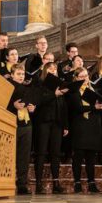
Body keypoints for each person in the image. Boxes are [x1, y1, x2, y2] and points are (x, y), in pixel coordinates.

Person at [66, 67, 102, 193]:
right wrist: (94, 107)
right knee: (78, 156)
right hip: (80, 126)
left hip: (92, 125)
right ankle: (77, 182)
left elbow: (99, 107)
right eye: (81, 77)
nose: (84, 79)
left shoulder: (94, 90)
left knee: (91, 157)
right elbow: (77, 108)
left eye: (86, 76)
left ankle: (91, 182)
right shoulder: (73, 91)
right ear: (76, 78)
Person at [32, 62, 68, 194]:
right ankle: (39, 183)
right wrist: (55, 94)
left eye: (55, 69)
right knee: (41, 153)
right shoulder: (40, 84)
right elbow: (39, 102)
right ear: (45, 71)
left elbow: (64, 107)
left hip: (57, 123)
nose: (53, 71)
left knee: (55, 154)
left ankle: (56, 183)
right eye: (50, 69)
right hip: (43, 122)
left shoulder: (60, 86)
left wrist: (65, 125)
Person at [7, 63, 34, 195]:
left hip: (26, 124)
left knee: (24, 155)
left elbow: (31, 103)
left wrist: (32, 108)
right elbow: (1, 103)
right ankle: (8, 182)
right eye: (18, 74)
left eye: (22, 74)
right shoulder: (7, 87)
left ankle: (22, 184)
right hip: (11, 123)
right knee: (10, 154)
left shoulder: (27, 88)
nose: (21, 76)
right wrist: (13, 105)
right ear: (12, 75)